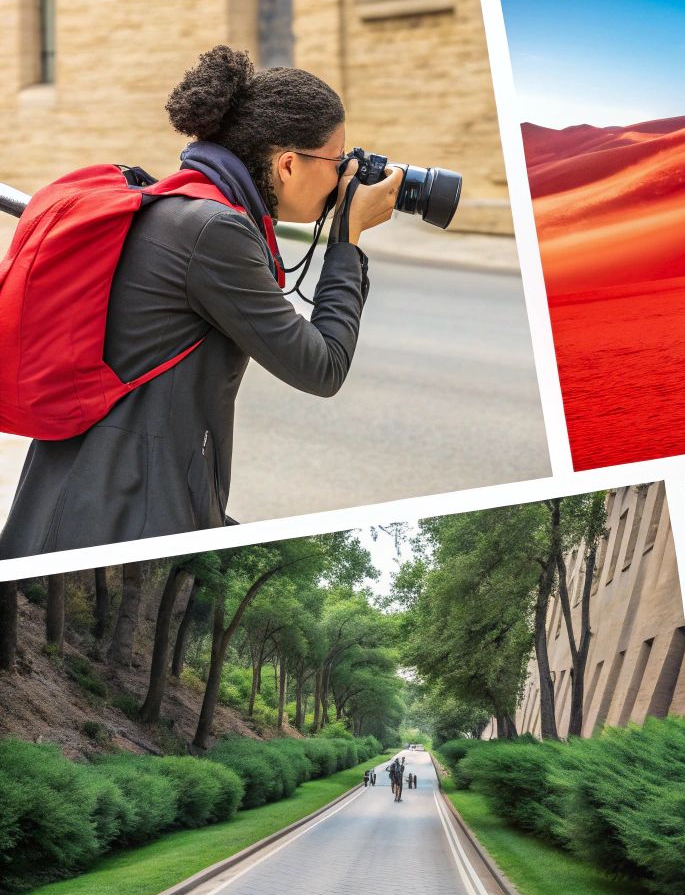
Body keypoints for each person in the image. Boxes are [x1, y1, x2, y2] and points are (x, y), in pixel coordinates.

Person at [0, 45, 401, 557]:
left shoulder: (184, 207)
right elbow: (322, 367)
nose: (345, 175)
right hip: (127, 516)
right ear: (288, 165)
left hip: (82, 492)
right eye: (337, 159)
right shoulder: (213, 231)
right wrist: (346, 240)